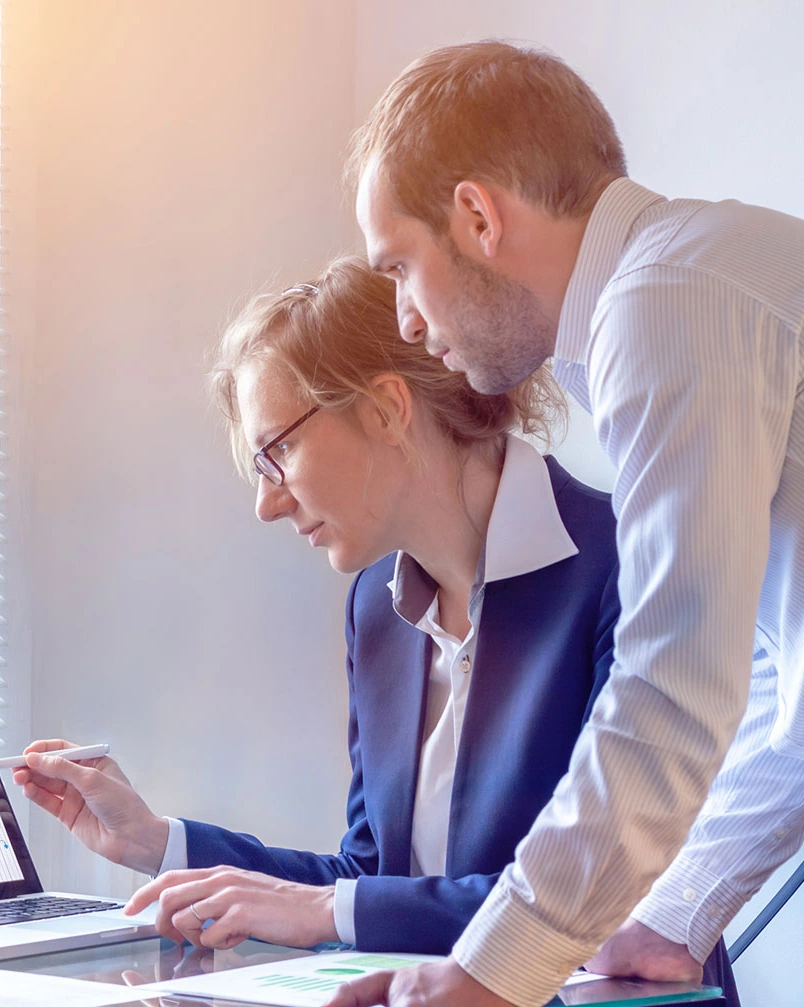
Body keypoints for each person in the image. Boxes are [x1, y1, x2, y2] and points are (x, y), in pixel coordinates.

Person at [13, 257, 674, 972]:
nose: (266, 503)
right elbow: (370, 875)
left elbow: (603, 901)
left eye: (278, 452)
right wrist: (154, 841)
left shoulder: (627, 563)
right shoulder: (378, 605)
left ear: (386, 408)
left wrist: (328, 909)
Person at [328, 39, 804, 1007]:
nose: (407, 322)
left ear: (476, 216)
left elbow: (673, 682)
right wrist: (673, 915)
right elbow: (782, 682)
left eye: (401, 267)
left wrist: (489, 970)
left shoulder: (665, 305)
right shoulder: (687, 286)